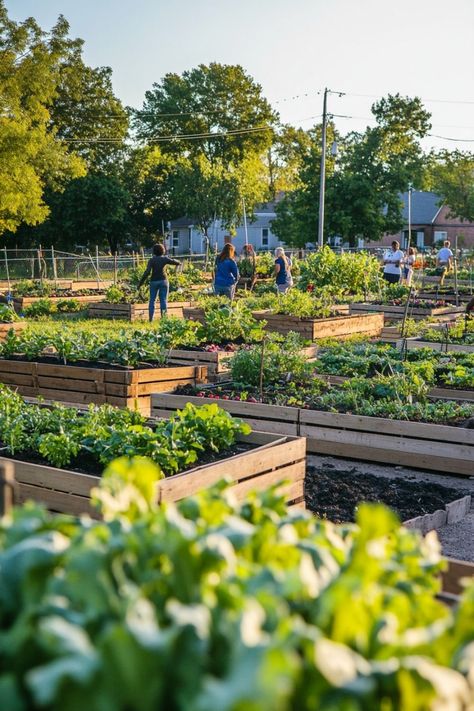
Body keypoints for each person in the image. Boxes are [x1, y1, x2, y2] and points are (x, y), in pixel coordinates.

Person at [137, 243, 180, 321]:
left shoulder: (152, 260)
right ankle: (164, 319)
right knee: (163, 300)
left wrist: (140, 283)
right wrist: (177, 263)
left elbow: (147, 272)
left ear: (154, 252)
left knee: (152, 300)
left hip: (154, 281)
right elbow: (176, 262)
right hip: (163, 281)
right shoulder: (165, 259)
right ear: (163, 251)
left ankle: (151, 319)